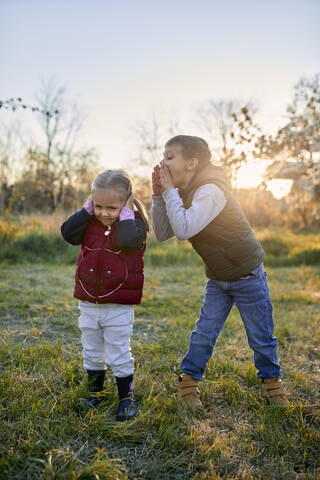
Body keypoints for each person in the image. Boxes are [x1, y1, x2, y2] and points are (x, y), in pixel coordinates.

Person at [151, 135, 289, 408]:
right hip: (218, 277)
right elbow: (164, 232)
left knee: (261, 336)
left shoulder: (211, 190)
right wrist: (158, 197)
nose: (162, 164)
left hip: (248, 275)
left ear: (191, 163)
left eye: (169, 157)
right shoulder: (183, 191)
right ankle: (188, 383)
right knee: (204, 332)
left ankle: (272, 385)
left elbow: (183, 229)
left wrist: (168, 193)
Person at [61, 169, 149, 421]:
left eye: (112, 207)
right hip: (89, 303)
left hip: (118, 306)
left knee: (118, 351)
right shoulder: (88, 223)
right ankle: (94, 392)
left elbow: (126, 241)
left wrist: (127, 214)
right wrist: (87, 211)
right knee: (91, 349)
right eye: (98, 205)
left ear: (126, 203)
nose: (104, 213)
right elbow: (67, 233)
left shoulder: (135, 227)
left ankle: (126, 397)